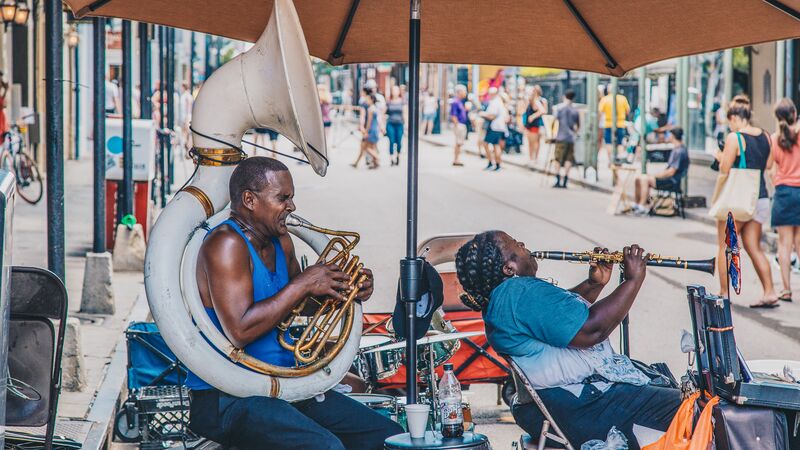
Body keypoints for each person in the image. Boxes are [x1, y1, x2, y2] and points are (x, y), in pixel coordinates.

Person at [187, 157, 403, 449]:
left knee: (386, 436)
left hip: (281, 386)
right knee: (325, 447)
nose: (291, 207)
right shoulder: (226, 244)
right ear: (249, 200)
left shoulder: (280, 240)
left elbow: (295, 305)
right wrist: (304, 283)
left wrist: (342, 290)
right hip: (229, 394)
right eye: (282, 198)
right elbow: (240, 330)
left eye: (291, 198)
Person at [454, 232, 680, 449]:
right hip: (584, 408)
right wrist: (633, 280)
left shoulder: (508, 297)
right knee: (695, 407)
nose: (523, 244)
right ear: (508, 268)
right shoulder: (517, 292)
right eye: (516, 244)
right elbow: (592, 330)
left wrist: (593, 284)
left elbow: (555, 319)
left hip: (559, 410)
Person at [715, 95, 778, 307]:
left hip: (738, 200)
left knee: (725, 246)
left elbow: (725, 168)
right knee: (753, 246)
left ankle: (724, 294)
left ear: (734, 117)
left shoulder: (735, 138)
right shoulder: (766, 137)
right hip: (759, 198)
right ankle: (770, 292)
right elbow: (768, 165)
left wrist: (720, 156)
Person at [769, 98, 800, 303]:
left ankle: (786, 290)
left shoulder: (775, 139)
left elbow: (770, 167)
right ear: (794, 114)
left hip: (783, 192)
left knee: (784, 244)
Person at [632, 127, 689, 214]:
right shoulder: (676, 149)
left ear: (673, 136)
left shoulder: (679, 151)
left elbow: (671, 172)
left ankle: (642, 205)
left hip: (671, 181)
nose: (668, 137)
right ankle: (637, 203)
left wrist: (655, 176)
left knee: (644, 179)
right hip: (669, 178)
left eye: (669, 135)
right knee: (638, 178)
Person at [551, 89, 580, 188]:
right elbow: (577, 126)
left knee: (557, 159)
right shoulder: (575, 110)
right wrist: (574, 133)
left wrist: (551, 132)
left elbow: (554, 120)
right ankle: (565, 180)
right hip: (571, 137)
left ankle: (558, 179)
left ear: (564, 96)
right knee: (569, 159)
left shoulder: (560, 108)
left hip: (561, 136)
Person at [598, 86, 630, 163]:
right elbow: (628, 111)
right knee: (620, 143)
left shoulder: (605, 99)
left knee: (609, 143)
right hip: (620, 124)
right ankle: (619, 160)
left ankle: (611, 160)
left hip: (608, 124)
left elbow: (600, 112)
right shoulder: (623, 98)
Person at [480, 87, 507, 171]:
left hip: (495, 127)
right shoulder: (498, 102)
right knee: (495, 145)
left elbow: (492, 116)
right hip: (499, 127)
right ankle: (495, 163)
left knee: (490, 145)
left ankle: (494, 163)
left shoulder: (495, 102)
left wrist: (482, 114)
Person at [352, 94, 381, 169]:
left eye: (368, 99)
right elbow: (378, 120)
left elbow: (369, 122)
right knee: (370, 146)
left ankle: (377, 158)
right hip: (375, 129)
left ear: (371, 100)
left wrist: (366, 132)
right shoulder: (376, 108)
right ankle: (375, 163)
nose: (366, 101)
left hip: (371, 129)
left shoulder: (370, 109)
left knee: (365, 146)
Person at [524, 85, 547, 165]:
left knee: (535, 142)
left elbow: (543, 111)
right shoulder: (530, 100)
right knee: (530, 142)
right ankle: (531, 158)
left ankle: (535, 158)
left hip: (536, 124)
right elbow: (525, 110)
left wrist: (533, 116)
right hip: (529, 125)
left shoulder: (540, 101)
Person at [385, 85, 406, 166]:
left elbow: (405, 113)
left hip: (399, 124)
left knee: (399, 142)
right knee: (391, 141)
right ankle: (391, 159)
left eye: (396, 90)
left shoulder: (402, 101)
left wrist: (406, 124)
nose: (395, 92)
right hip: (390, 123)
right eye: (393, 90)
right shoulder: (389, 101)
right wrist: (382, 125)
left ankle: (398, 156)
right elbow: (384, 112)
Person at [450, 85, 469, 167]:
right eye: (464, 91)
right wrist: (457, 125)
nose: (466, 93)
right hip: (459, 125)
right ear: (459, 92)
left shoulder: (460, 102)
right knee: (458, 143)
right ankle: (456, 159)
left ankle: (457, 159)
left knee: (459, 143)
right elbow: (453, 115)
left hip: (461, 124)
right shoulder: (455, 102)